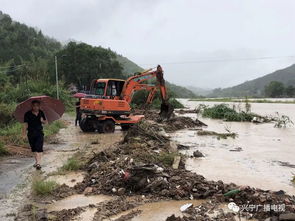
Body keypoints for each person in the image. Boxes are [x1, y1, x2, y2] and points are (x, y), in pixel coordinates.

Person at [22, 100, 47, 170]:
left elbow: (46, 122)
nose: (35, 107)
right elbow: (25, 124)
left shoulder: (41, 112)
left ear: (39, 106)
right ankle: (37, 162)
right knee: (34, 148)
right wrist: (23, 134)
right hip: (31, 133)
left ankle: (38, 163)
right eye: (34, 106)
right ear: (32, 106)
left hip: (39, 132)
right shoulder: (27, 114)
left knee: (39, 148)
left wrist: (42, 121)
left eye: (37, 106)